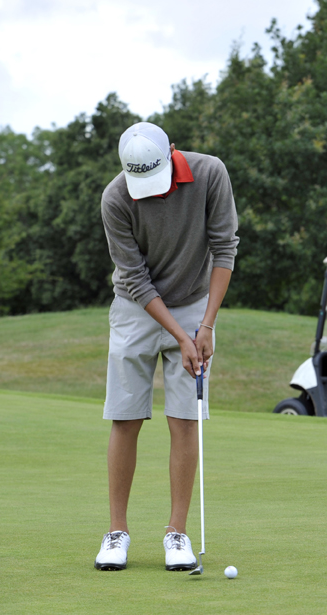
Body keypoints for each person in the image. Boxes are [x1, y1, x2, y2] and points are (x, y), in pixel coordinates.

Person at [94, 122, 239, 570]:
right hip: (135, 307)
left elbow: (224, 249)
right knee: (125, 417)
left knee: (184, 418)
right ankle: (117, 533)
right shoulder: (115, 198)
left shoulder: (210, 173)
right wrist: (179, 335)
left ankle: (177, 534)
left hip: (195, 302)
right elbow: (136, 278)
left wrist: (205, 326)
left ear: (171, 152)